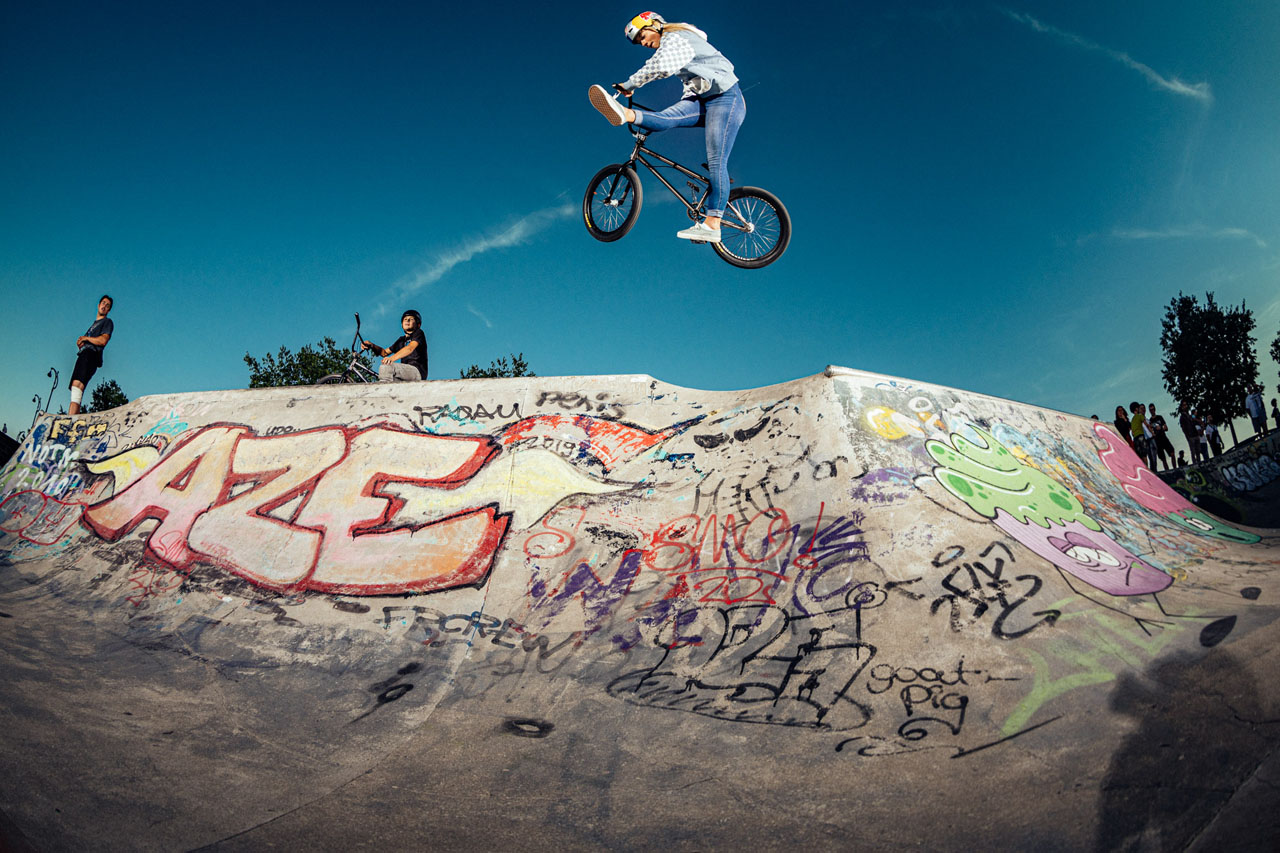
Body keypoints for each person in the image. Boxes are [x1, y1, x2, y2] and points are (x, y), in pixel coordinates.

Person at [589, 11, 744, 244]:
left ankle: (713, 225)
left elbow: (661, 65)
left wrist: (630, 84)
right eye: (639, 41)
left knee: (716, 161)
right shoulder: (672, 46)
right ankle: (625, 114)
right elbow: (659, 65)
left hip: (726, 99)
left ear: (655, 25)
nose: (643, 43)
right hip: (702, 101)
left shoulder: (677, 37)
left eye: (642, 36)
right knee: (665, 118)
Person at [69, 295, 114, 415]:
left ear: (109, 310)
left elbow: (103, 341)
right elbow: (90, 341)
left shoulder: (107, 322)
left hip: (91, 355)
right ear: (99, 305)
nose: (104, 306)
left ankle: (70, 420)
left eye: (107, 305)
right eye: (103, 303)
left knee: (77, 386)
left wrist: (86, 338)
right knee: (75, 389)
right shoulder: (93, 325)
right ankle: (73, 419)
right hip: (84, 354)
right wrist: (82, 343)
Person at [362, 310, 427, 381]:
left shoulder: (418, 333)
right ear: (402, 324)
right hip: (404, 373)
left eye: (411, 319)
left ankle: (383, 391)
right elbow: (384, 353)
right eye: (405, 319)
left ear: (418, 325)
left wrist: (391, 358)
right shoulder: (401, 340)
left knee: (386, 367)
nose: (407, 320)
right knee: (390, 378)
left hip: (417, 371)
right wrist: (372, 345)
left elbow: (410, 348)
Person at [1148, 403, 1175, 471]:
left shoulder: (1159, 417)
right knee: (1163, 459)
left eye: (1153, 409)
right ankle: (1168, 472)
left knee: (1172, 453)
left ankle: (1175, 469)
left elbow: (1166, 428)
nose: (1152, 411)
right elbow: (1150, 431)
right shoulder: (1150, 421)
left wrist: (1161, 428)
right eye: (1151, 410)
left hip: (1164, 438)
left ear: (1155, 409)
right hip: (1157, 441)